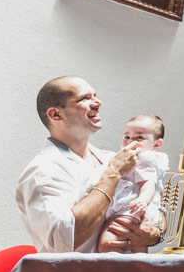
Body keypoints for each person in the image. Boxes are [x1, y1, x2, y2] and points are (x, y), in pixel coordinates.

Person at [16, 76, 162, 252]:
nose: (98, 102)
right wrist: (113, 173)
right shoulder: (43, 170)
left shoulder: (111, 158)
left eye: (95, 95)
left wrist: (155, 234)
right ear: (56, 114)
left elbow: (156, 203)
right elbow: (64, 239)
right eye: (84, 98)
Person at [97, 115, 169, 253]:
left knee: (107, 244)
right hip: (133, 211)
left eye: (139, 137)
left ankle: (116, 271)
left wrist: (142, 200)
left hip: (130, 210)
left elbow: (149, 183)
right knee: (138, 251)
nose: (131, 141)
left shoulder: (143, 159)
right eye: (127, 137)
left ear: (156, 144)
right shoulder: (130, 157)